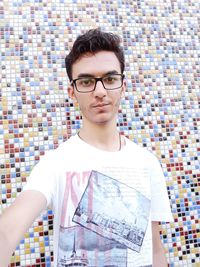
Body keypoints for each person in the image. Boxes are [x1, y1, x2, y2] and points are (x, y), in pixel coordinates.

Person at [0, 28, 173, 267]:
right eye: (86, 81)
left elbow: (154, 248)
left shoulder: (148, 162)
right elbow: (8, 230)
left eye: (110, 79)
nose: (100, 91)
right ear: (72, 91)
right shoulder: (55, 163)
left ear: (123, 86)